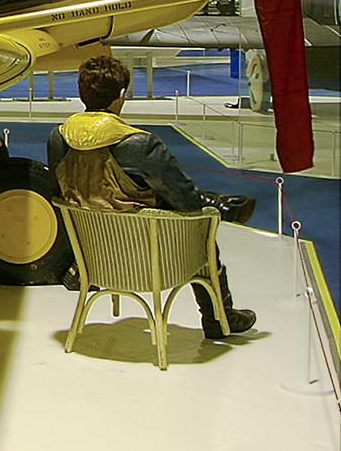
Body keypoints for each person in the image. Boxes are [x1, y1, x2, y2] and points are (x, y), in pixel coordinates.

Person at [48, 55, 257, 339]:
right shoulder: (140, 145)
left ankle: (219, 204)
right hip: (148, 261)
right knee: (203, 230)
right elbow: (188, 205)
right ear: (121, 96)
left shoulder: (58, 139)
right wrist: (202, 204)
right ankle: (220, 319)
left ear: (80, 92)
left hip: (90, 259)